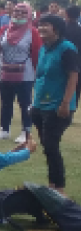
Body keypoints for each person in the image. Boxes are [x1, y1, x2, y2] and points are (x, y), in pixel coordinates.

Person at [30, 14, 78, 194]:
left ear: (56, 28)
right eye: (39, 25)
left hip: (57, 106)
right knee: (48, 147)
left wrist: (65, 103)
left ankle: (59, 188)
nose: (41, 28)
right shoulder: (44, 48)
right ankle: (53, 185)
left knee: (51, 146)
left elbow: (73, 75)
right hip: (40, 105)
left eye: (46, 25)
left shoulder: (67, 48)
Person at [0, 2, 40, 143]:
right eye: (16, 11)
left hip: (25, 74)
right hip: (4, 72)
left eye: (23, 12)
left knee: (25, 103)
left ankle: (26, 131)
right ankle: (4, 129)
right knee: (6, 102)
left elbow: (36, 54)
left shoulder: (33, 32)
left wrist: (38, 73)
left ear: (29, 15)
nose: (18, 14)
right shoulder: (4, 30)